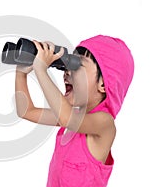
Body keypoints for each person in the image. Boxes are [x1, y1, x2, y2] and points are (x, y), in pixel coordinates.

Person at [15, 35, 134, 187]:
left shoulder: (104, 123)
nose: (67, 72)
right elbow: (26, 111)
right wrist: (21, 72)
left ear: (103, 84)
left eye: (77, 66)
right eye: (67, 65)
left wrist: (41, 69)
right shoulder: (74, 120)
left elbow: (66, 118)